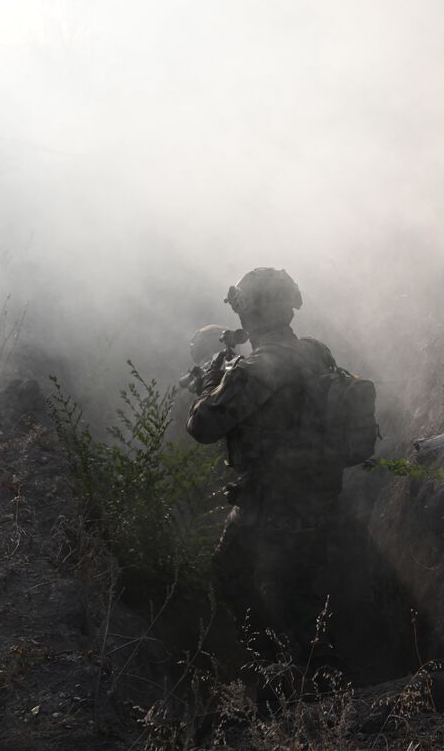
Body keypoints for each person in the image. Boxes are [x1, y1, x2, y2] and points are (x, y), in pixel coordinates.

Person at [186, 267, 343, 666]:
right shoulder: (315, 350)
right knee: (300, 592)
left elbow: (202, 426)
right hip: (321, 492)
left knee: (233, 577)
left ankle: (281, 673)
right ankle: (314, 679)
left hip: (273, 502)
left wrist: (211, 381)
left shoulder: (257, 368)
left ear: (249, 313)